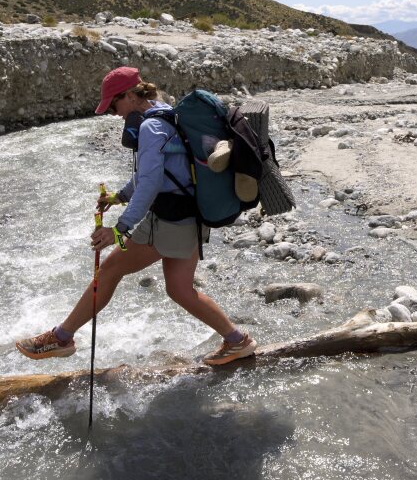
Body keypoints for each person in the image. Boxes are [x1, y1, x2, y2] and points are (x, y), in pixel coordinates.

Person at [15, 66, 256, 366]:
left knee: (110, 270)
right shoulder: (165, 113)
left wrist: (120, 229)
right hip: (191, 216)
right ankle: (237, 340)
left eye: (113, 106)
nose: (114, 114)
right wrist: (120, 196)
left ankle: (61, 338)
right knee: (180, 290)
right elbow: (154, 172)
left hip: (169, 220)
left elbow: (151, 182)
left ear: (129, 96)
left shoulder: (150, 127)